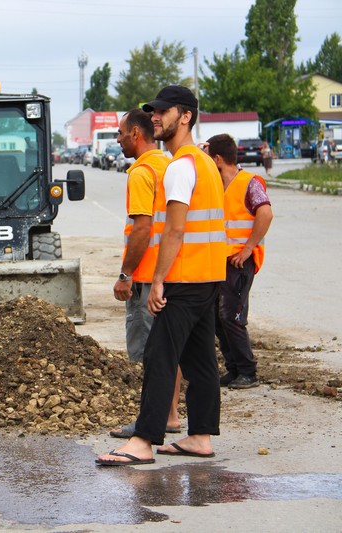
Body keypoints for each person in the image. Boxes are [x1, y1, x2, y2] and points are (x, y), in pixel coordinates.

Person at [96, 85, 226, 466]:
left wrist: (156, 281)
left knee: (159, 355)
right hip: (208, 275)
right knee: (200, 357)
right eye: (153, 112)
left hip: (184, 278)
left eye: (163, 111)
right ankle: (200, 436)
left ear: (185, 116)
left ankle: (142, 441)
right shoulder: (203, 163)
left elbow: (174, 230)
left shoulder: (182, 166)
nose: (156, 118)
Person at [109, 108, 183, 439]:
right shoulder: (168, 165)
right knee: (170, 349)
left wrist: (125, 275)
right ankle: (170, 415)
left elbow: (142, 228)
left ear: (136, 134)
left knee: (151, 353)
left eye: (121, 134)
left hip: (145, 277)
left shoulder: (141, 172)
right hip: (171, 272)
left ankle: (150, 421)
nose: (119, 140)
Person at [205, 134, 273, 390]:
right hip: (218, 261)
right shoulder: (216, 185)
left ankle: (247, 371)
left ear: (218, 159)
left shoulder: (249, 183)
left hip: (238, 262)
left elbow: (265, 213)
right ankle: (234, 369)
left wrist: (247, 250)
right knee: (215, 317)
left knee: (231, 316)